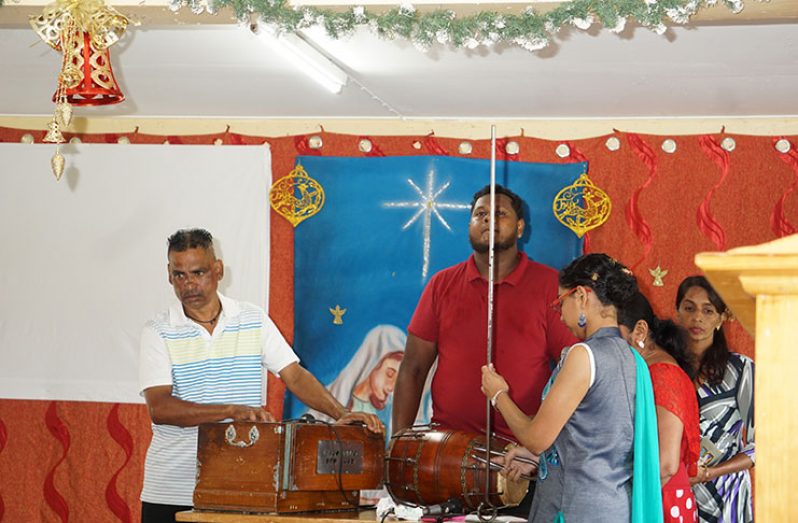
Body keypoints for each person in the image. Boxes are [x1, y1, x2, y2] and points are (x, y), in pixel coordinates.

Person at [138, 228, 383, 523]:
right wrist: (230, 411)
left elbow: (294, 374)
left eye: (198, 272)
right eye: (179, 275)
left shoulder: (252, 319)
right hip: (172, 491)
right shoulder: (158, 331)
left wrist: (341, 413)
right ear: (168, 274)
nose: (188, 284)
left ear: (217, 270)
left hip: (244, 489)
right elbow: (161, 409)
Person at [481, 253, 662, 523]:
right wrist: (536, 459)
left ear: (581, 296)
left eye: (560, 302)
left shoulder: (584, 355)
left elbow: (536, 437)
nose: (560, 315)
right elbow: (593, 439)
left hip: (577, 509)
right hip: (614, 508)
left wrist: (498, 394)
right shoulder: (632, 357)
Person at [393, 184, 577, 441]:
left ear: (521, 227)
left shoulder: (550, 285)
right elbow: (413, 367)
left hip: (521, 451)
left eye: (500, 213)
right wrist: (398, 441)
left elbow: (572, 370)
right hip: (448, 445)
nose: (489, 219)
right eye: (480, 214)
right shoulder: (441, 284)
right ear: (469, 225)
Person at [675, 276, 755, 523]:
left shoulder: (741, 370)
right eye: (689, 308)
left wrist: (710, 473)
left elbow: (762, 444)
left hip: (727, 496)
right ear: (677, 312)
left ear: (721, 318)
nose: (697, 317)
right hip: (676, 492)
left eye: (708, 310)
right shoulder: (665, 366)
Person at [619, 291, 700, 523]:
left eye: (611, 335)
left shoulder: (663, 375)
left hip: (658, 505)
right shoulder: (648, 370)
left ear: (640, 332)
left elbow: (665, 465)